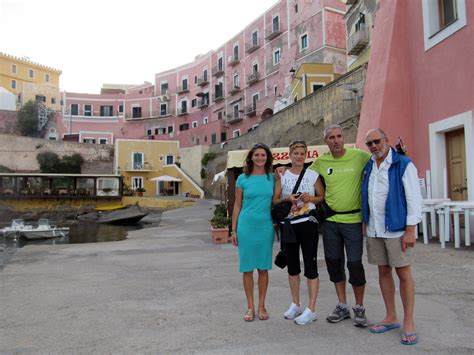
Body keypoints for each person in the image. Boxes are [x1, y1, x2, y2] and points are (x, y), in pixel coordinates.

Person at [362, 128, 421, 345]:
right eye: (369, 143)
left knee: (403, 273)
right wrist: (365, 222)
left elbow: (414, 198)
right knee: (383, 270)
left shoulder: (403, 164)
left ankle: (408, 321)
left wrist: (411, 230)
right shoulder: (369, 165)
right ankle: (391, 316)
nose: (374, 146)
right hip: (375, 229)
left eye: (377, 141)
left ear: (386, 140)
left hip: (397, 229)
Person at [308, 124, 371, 327]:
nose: (336, 140)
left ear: (343, 138)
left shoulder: (359, 156)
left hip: (353, 221)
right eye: (331, 137)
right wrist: (281, 173)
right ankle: (342, 305)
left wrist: (401, 154)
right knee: (334, 264)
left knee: (354, 265)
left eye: (339, 136)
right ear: (326, 141)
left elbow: (382, 161)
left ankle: (359, 307)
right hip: (331, 223)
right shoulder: (321, 161)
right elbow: (303, 177)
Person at [272, 140, 325, 325]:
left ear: (306, 155)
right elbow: (275, 200)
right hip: (289, 225)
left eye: (302, 153)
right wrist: (288, 198)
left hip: (308, 224)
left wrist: (310, 198)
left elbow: (321, 197)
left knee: (310, 266)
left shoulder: (313, 175)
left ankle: (311, 309)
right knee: (292, 266)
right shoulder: (282, 175)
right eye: (296, 153)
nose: (299, 156)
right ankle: (296, 303)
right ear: (290, 155)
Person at [231, 143, 275, 322]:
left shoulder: (272, 178)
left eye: (263, 155)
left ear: (267, 158)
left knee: (263, 268)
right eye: (256, 155)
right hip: (246, 227)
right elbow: (237, 205)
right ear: (251, 157)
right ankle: (250, 307)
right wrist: (233, 229)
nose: (260, 158)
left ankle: (262, 305)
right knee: (247, 269)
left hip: (265, 227)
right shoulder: (242, 178)